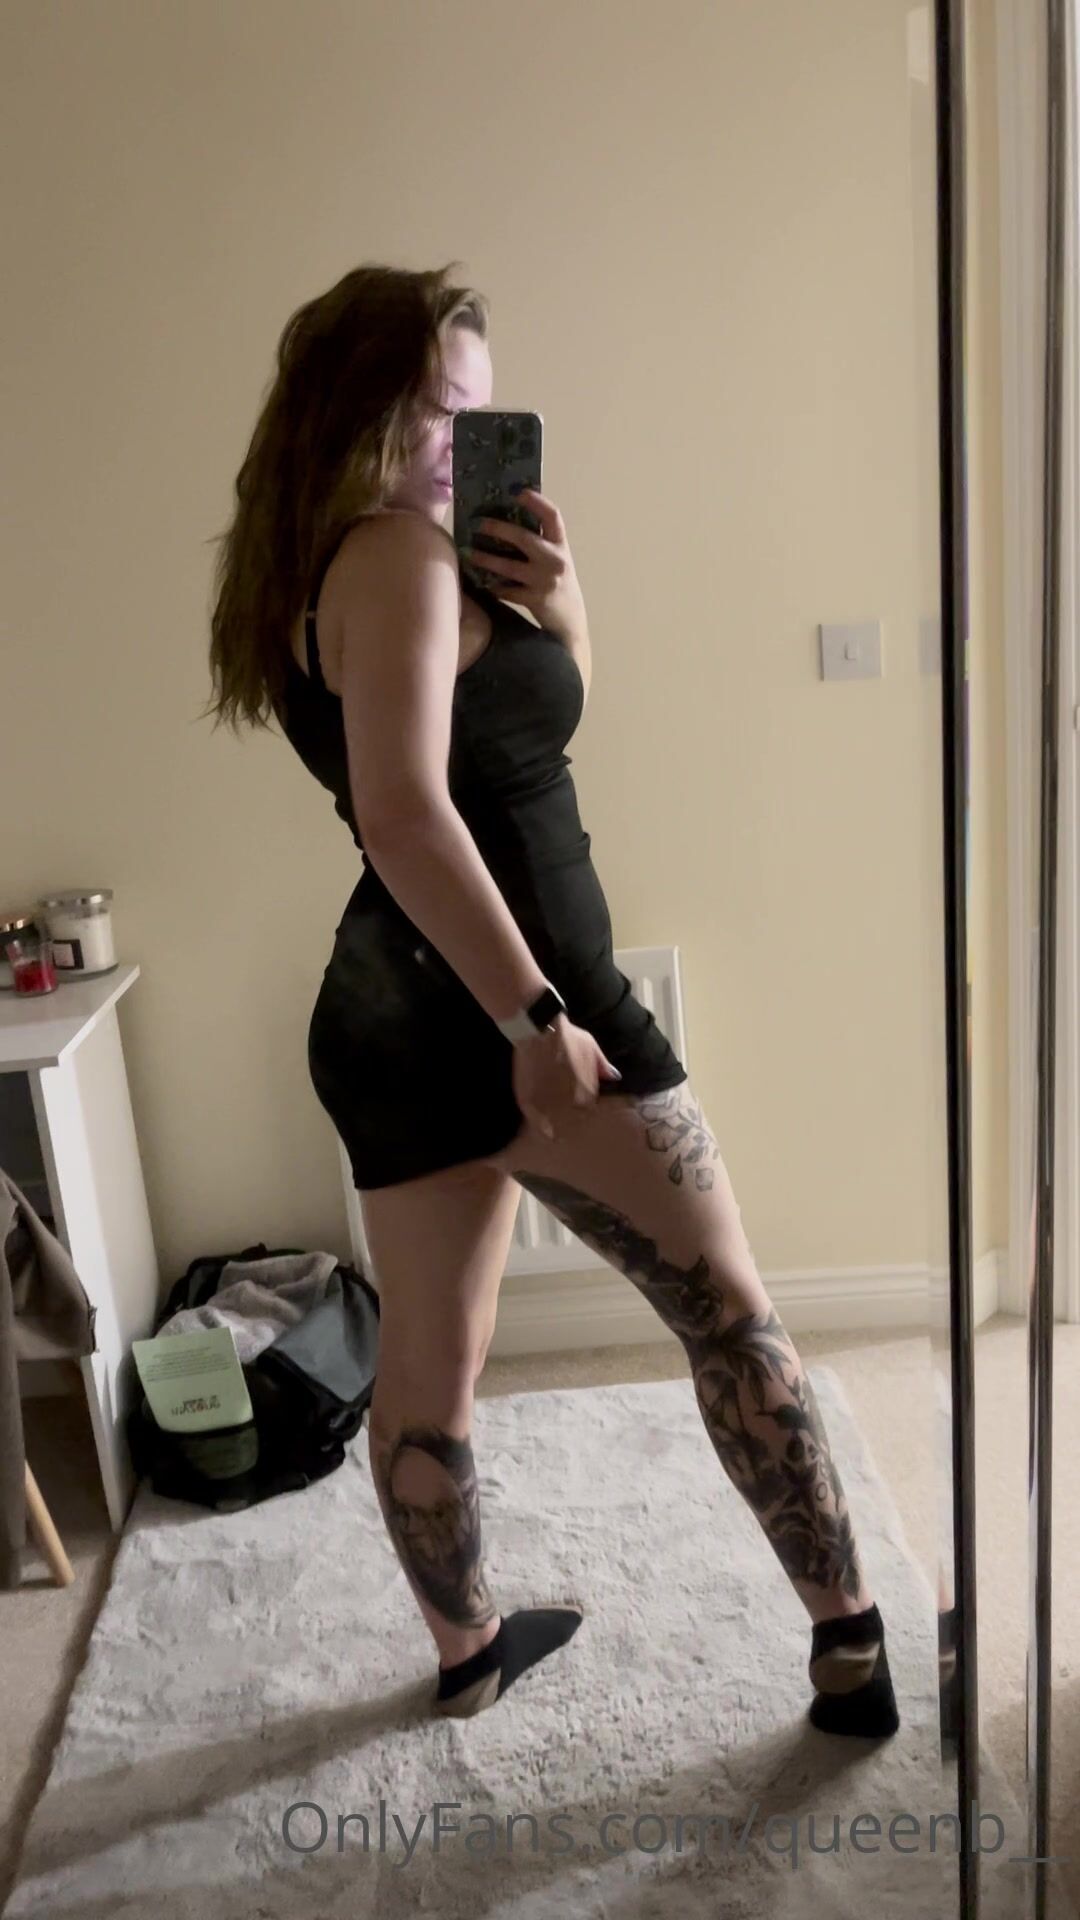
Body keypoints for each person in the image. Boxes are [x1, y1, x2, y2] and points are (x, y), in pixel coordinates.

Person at [205, 261, 899, 1737]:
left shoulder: (344, 566)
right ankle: (853, 1649)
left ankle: (467, 1656)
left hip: (395, 1011)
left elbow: (515, 748)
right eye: (436, 407)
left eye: (476, 409)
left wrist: (562, 604)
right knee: (732, 1316)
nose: (462, 438)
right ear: (358, 408)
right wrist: (533, 1021)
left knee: (434, 1365)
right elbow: (405, 812)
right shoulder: (395, 556)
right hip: (524, 1001)